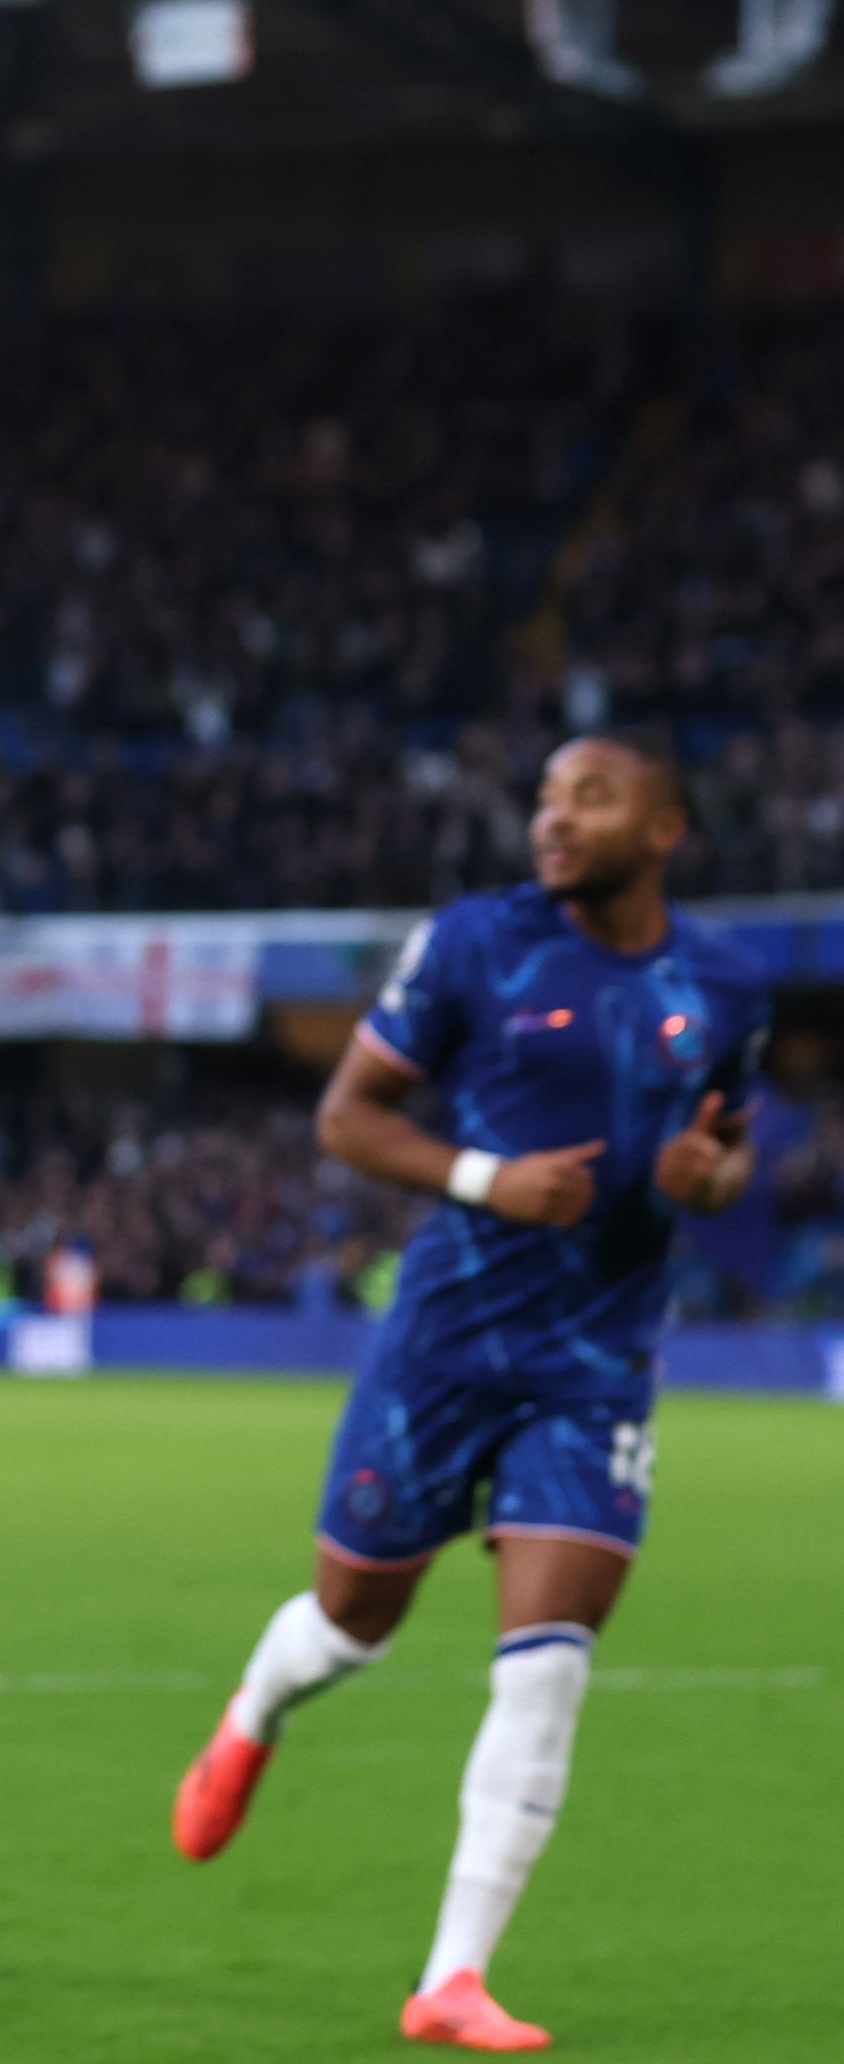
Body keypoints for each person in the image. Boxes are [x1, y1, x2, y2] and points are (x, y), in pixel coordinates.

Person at [170, 734, 768, 2054]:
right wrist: (489, 1180)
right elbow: (346, 1117)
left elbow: (726, 1154)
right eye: (546, 796)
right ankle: (254, 1714)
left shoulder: (724, 979)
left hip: (597, 1360)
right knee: (354, 1617)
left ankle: (452, 1977)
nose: (553, 819)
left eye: (589, 797)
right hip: (445, 1342)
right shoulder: (472, 945)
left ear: (663, 827)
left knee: (546, 1667)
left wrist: (701, 1181)